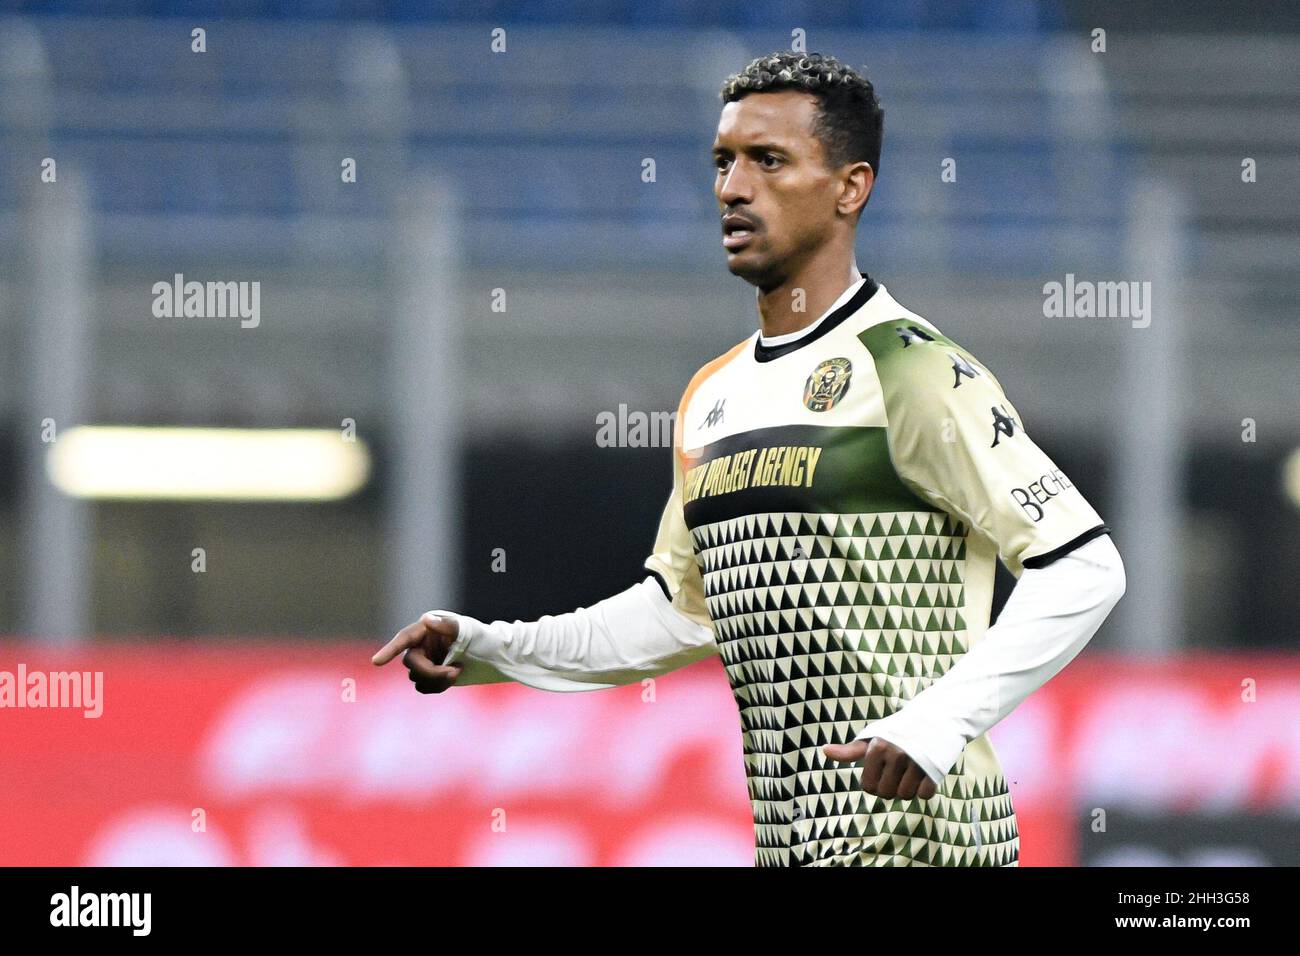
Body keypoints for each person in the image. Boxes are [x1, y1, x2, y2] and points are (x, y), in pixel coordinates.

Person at [373, 51, 1126, 867]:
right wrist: (493, 647)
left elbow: (1083, 568)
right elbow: (677, 609)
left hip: (924, 846)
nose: (733, 187)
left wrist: (941, 720)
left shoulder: (910, 368)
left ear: (851, 187)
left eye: (769, 160)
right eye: (723, 161)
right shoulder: (712, 393)